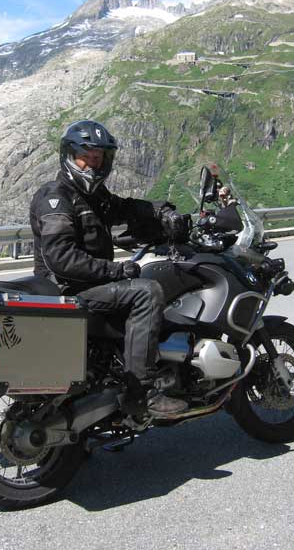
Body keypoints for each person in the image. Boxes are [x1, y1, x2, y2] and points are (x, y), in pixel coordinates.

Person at [29, 119, 188, 417]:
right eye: (85, 158)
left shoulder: (91, 196)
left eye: (97, 159)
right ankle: (141, 392)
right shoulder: (56, 198)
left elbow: (123, 207)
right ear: (70, 155)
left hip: (85, 284)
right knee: (148, 291)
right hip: (68, 289)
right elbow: (61, 258)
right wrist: (115, 270)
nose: (91, 165)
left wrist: (160, 210)